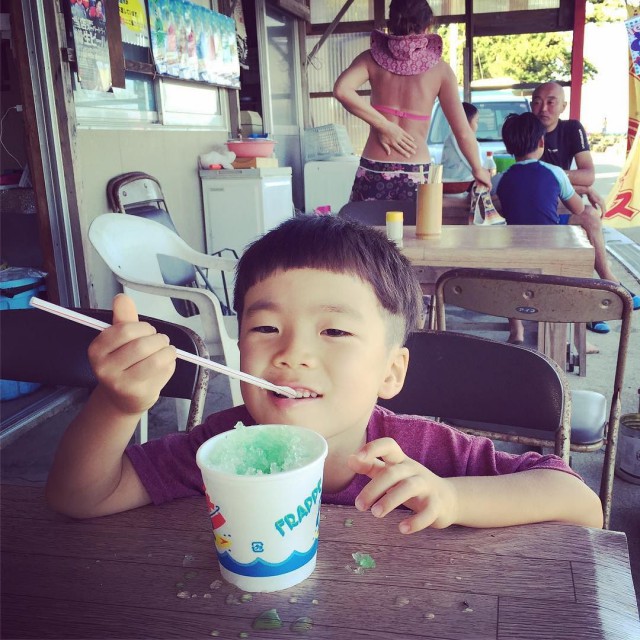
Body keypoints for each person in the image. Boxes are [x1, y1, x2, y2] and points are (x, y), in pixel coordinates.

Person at [45, 215, 602, 531]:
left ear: (391, 370)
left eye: (334, 331)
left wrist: (453, 498)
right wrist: (117, 406)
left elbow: (581, 504)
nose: (292, 354)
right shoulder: (223, 445)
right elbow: (80, 497)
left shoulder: (422, 453)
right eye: (266, 330)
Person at [333, 0, 490, 202]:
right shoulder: (441, 71)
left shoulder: (369, 59)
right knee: (416, 234)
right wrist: (478, 169)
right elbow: (463, 132)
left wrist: (384, 126)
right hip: (417, 171)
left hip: (374, 166)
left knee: (366, 233)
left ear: (390, 23)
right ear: (428, 26)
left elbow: (342, 89)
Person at [530, 82, 640, 330]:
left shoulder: (571, 129)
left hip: (558, 202)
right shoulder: (527, 129)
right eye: (537, 101)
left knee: (588, 220)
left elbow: (588, 174)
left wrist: (586, 187)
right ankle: (610, 288)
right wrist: (580, 185)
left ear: (562, 106)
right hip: (536, 214)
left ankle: (600, 296)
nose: (543, 108)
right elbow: (530, 177)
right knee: (587, 221)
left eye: (551, 101)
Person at [441, 101, 480, 186]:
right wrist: (481, 171)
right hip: (461, 185)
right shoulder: (464, 140)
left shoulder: (450, 137)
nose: (477, 126)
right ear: (466, 122)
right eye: (477, 121)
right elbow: (475, 166)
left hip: (450, 182)